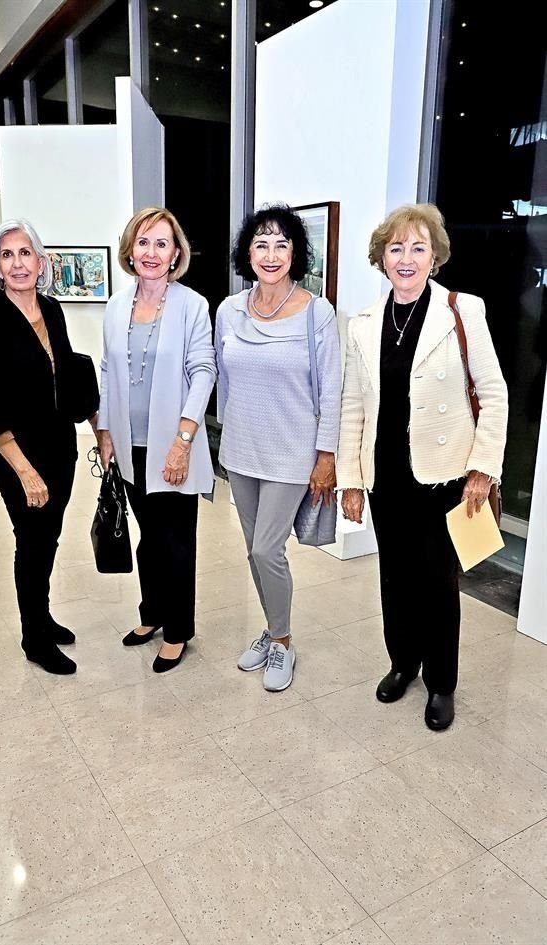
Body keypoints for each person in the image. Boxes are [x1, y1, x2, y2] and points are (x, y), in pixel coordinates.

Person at [338, 204, 508, 730]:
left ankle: (442, 684)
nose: (406, 258)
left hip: (443, 476)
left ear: (434, 256)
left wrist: (483, 467)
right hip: (386, 474)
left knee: (437, 583)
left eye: (417, 247)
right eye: (395, 248)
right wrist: (350, 477)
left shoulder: (462, 311)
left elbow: (494, 392)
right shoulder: (365, 324)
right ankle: (402, 663)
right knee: (395, 578)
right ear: (381, 258)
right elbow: (353, 405)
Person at [215, 204, 341, 692]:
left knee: (269, 550)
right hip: (241, 451)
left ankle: (284, 642)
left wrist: (325, 456)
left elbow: (331, 390)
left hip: (292, 454)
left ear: (296, 253)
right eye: (261, 243)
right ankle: (271, 629)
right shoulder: (229, 310)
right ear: (248, 253)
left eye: (281, 243)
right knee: (252, 549)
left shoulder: (317, 313)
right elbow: (223, 380)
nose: (271, 254)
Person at [0, 219, 97, 675]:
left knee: (48, 539)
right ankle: (33, 639)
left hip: (59, 446)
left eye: (26, 253)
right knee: (33, 541)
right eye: (8, 255)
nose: (18, 263)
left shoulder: (52, 308)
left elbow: (67, 371)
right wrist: (25, 471)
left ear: (40, 262)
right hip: (16, 457)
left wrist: (95, 420)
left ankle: (41, 617)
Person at [97, 207, 216, 673]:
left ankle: (179, 630)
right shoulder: (115, 305)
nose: (151, 252)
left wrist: (183, 439)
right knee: (148, 538)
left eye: (161, 244)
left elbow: (203, 370)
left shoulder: (192, 306)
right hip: (130, 447)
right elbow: (108, 371)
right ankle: (152, 614)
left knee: (176, 541)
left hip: (173, 448)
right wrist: (104, 431)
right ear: (131, 249)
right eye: (143, 242)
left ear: (175, 254)